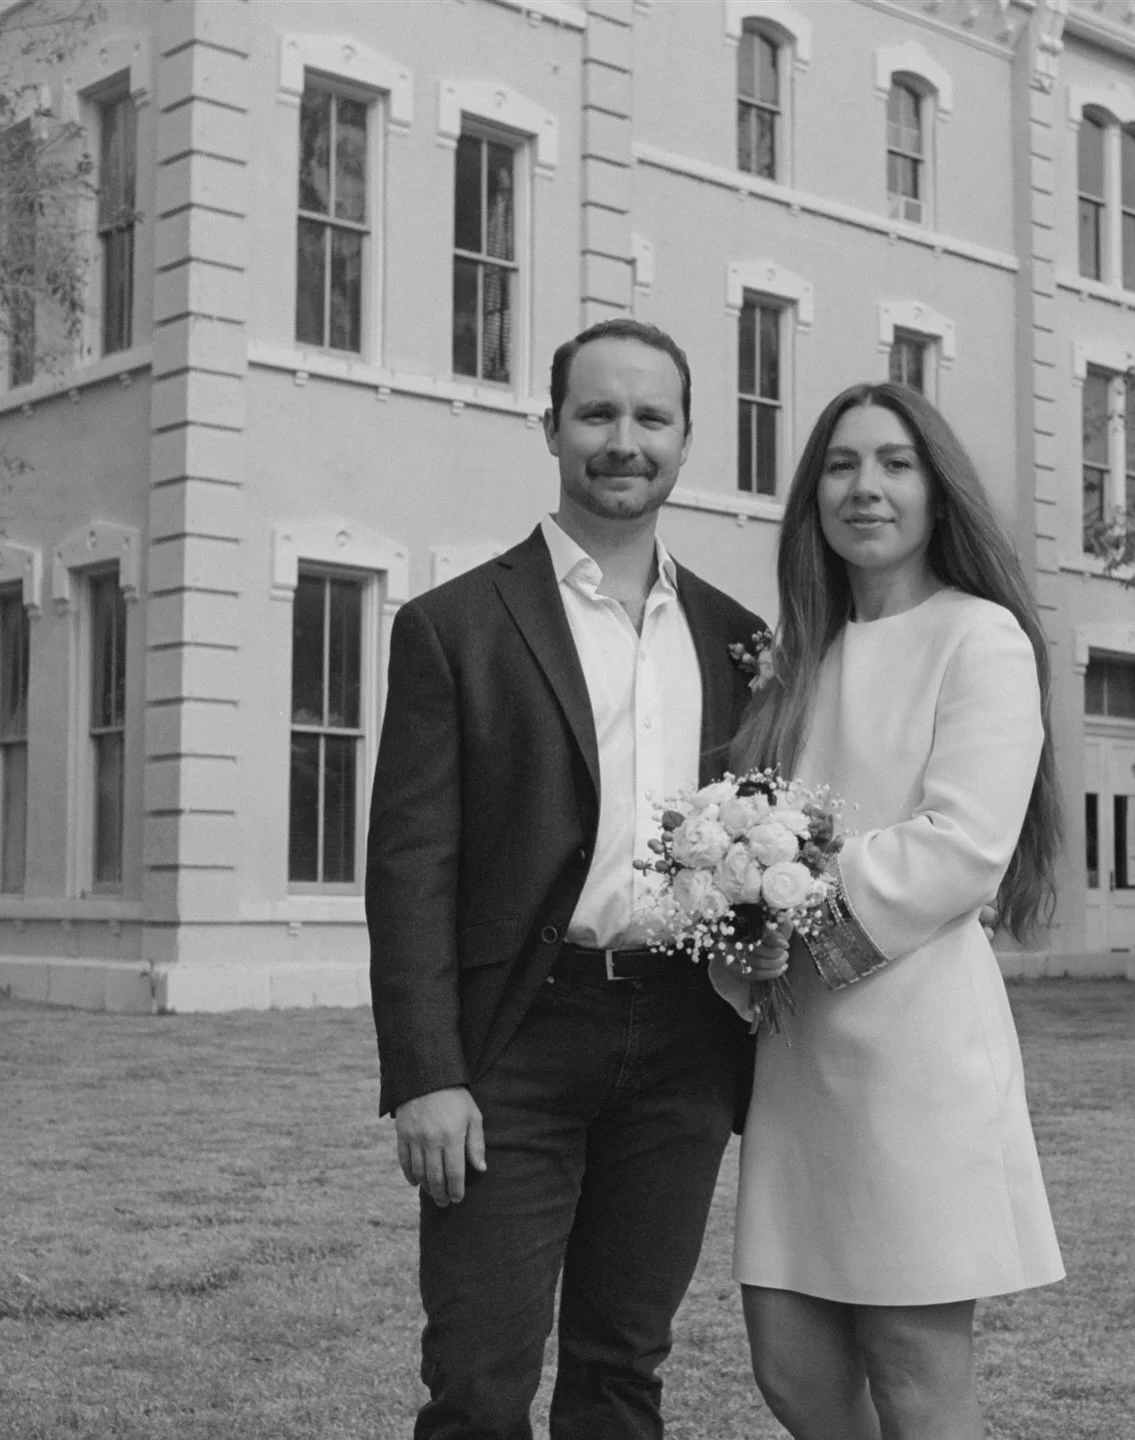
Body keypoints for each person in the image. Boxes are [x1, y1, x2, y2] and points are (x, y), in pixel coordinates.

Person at [365, 317, 783, 1440]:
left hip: (684, 1045)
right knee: (479, 1384)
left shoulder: (739, 640)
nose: (623, 440)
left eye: (651, 417)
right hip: (515, 1045)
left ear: (688, 439)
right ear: (551, 428)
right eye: (597, 413)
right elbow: (409, 868)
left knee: (621, 1376)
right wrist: (426, 1075)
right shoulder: (454, 627)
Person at [727, 381, 1066, 1440]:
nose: (863, 487)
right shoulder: (799, 656)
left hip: (916, 1050)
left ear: (937, 491)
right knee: (791, 1366)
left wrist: (780, 915)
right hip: (799, 1061)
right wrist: (727, 906)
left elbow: (961, 849)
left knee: (916, 1376)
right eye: (839, 465)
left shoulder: (982, 638)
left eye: (893, 463)